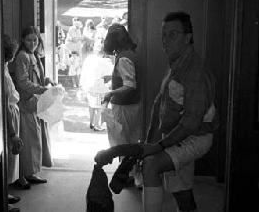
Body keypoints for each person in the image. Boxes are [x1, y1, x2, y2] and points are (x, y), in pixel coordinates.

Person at [141, 12, 218, 212]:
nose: (165, 41)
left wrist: (158, 147)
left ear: (188, 37)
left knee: (151, 165)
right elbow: (159, 105)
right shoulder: (176, 64)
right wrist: (150, 142)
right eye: (163, 35)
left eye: (172, 34)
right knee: (181, 192)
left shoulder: (195, 71)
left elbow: (192, 123)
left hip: (194, 136)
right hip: (176, 134)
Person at [102, 24, 142, 185]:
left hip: (125, 106)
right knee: (132, 141)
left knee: (124, 143)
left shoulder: (123, 58)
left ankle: (127, 176)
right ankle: (134, 175)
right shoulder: (131, 54)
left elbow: (129, 85)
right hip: (134, 104)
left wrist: (111, 93)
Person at [12, 26, 50, 189]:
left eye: (35, 40)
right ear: (22, 40)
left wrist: (47, 81)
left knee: (34, 139)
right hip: (25, 103)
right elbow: (22, 81)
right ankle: (21, 175)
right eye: (29, 40)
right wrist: (42, 89)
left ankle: (30, 172)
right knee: (27, 141)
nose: (33, 43)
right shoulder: (22, 56)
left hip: (33, 103)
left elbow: (37, 78)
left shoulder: (33, 54)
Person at [3, 35, 23, 211]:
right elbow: (5, 104)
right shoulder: (2, 74)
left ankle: (5, 193)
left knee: (11, 157)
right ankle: (3, 198)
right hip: (9, 114)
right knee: (9, 154)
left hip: (12, 111)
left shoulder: (4, 69)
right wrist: (13, 133)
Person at [80, 44, 113, 132]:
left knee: (91, 105)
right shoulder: (104, 61)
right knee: (98, 107)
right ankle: (97, 125)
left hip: (88, 84)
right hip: (98, 85)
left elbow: (83, 72)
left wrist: (82, 84)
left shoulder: (88, 59)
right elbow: (110, 72)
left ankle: (91, 123)